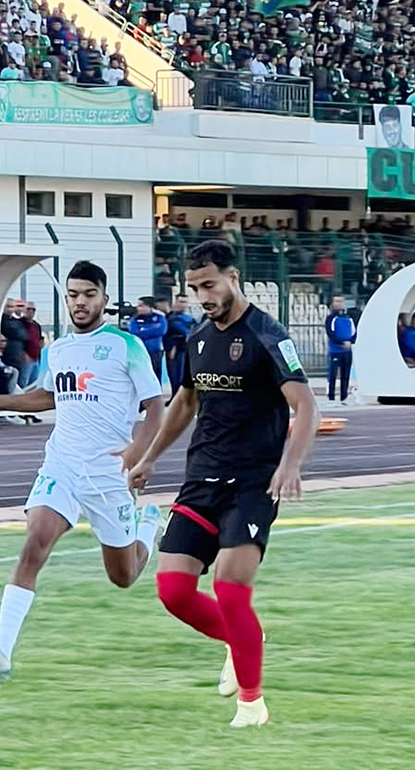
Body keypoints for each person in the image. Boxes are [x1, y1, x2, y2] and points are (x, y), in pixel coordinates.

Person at [126, 240, 320, 729]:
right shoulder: (197, 338)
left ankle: (252, 704)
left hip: (253, 482)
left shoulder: (267, 336)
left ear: (234, 278)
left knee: (231, 587)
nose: (202, 297)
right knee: (173, 590)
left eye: (209, 285)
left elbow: (307, 406)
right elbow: (184, 404)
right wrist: (148, 459)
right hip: (202, 479)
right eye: (193, 289)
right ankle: (241, 639)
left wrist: (290, 464)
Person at [0, 261, 166, 680]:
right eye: (73, 295)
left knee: (123, 576)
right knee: (35, 542)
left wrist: (140, 455)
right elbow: (46, 396)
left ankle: (148, 525)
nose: (80, 302)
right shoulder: (59, 349)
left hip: (110, 474)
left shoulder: (126, 346)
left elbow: (155, 406)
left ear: (104, 299)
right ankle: (0, 652)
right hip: (63, 466)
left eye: (88, 294)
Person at [324, 294, 356, 403]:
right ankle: (331, 397)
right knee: (332, 374)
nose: (339, 304)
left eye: (340, 301)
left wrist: (350, 342)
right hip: (335, 351)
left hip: (347, 351)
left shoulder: (349, 318)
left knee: (345, 374)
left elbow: (354, 332)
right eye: (336, 301)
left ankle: (344, 396)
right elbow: (330, 333)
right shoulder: (331, 318)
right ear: (332, 303)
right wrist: (341, 343)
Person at [129, 297, 169, 384]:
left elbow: (161, 330)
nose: (138, 308)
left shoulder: (159, 317)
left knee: (155, 376)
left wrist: (143, 330)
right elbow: (134, 331)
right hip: (139, 352)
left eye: (141, 306)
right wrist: (150, 330)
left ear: (149, 306)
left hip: (155, 352)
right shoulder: (135, 319)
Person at [164, 295, 196, 399]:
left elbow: (191, 332)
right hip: (173, 350)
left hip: (185, 349)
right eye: (181, 302)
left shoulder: (190, 318)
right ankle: (175, 397)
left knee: (182, 375)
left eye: (185, 302)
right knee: (174, 375)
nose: (183, 305)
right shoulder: (170, 317)